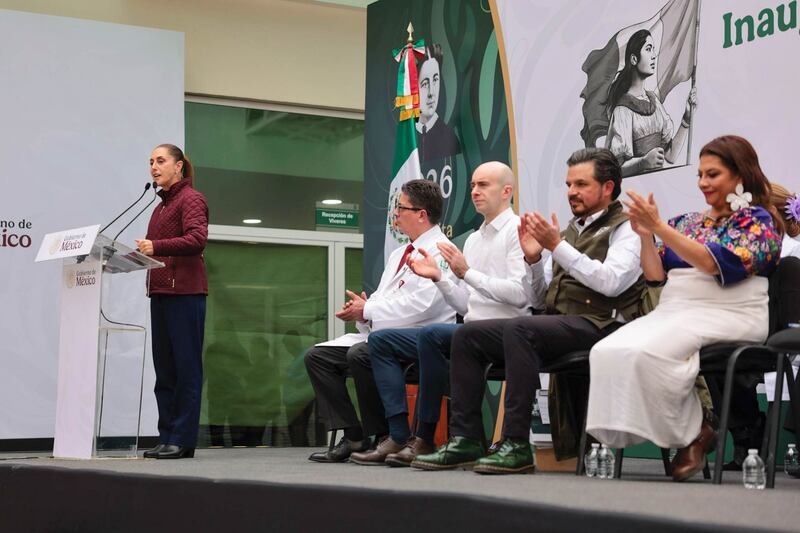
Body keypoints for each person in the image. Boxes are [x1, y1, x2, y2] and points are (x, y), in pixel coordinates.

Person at [412, 147, 645, 474]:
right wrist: (535, 261)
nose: (571, 192)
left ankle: (516, 443)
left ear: (608, 187)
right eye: (568, 184)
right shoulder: (569, 231)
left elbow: (611, 284)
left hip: (604, 324)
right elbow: (537, 298)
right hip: (561, 322)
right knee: (467, 335)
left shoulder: (627, 228)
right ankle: (465, 439)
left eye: (581, 184)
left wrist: (556, 247)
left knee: (520, 327)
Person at [586, 135, 782, 481]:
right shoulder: (687, 222)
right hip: (676, 310)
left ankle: (694, 431)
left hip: (731, 313)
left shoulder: (758, 221)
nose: (703, 183)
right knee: (606, 350)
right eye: (701, 175)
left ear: (739, 175)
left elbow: (712, 264)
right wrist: (646, 235)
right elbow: (655, 275)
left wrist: (659, 227)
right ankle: (694, 430)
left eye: (713, 175)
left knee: (652, 352)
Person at [350, 162, 529, 467]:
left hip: (508, 329)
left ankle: (425, 435)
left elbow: (520, 295)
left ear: (507, 191)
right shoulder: (473, 239)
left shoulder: (516, 230)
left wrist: (466, 273)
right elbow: (465, 306)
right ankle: (401, 435)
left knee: (432, 335)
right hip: (472, 329)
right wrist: (441, 279)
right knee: (378, 342)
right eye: (472, 184)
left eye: (483, 185)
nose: (474, 191)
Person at [304, 179, 455, 463]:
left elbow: (422, 305)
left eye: (401, 207)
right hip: (385, 335)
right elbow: (384, 301)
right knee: (318, 357)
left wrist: (369, 308)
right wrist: (362, 313)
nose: (395, 214)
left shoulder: (440, 250)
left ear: (421, 214)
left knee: (361, 353)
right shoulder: (399, 253)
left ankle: (387, 435)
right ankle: (354, 435)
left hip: (419, 337)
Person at [135, 143, 209, 459]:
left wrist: (157, 246)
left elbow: (197, 239)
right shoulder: (158, 207)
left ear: (178, 166)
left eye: (161, 161)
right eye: (151, 161)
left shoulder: (191, 199)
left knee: (186, 369)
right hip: (163, 294)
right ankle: (167, 436)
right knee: (165, 372)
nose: (154, 166)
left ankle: (182, 439)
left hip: (186, 294)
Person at [605, 29, 697, 177]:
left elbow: (670, 156)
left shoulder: (654, 102)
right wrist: (643, 162)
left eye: (653, 50)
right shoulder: (622, 111)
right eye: (648, 49)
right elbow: (613, 170)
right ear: (634, 59)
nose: (654, 55)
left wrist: (686, 119)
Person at [416, 43, 460, 163]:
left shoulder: (449, 139)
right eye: (425, 84)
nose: (431, 92)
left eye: (435, 80)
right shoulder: (406, 140)